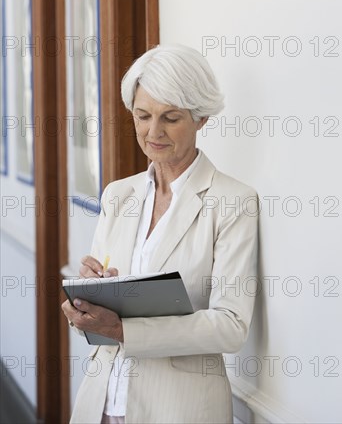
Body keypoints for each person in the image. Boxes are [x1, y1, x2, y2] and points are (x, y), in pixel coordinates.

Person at [62, 44, 258, 424]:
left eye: (170, 117)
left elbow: (231, 326)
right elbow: (103, 317)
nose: (153, 132)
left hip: (180, 408)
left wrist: (122, 328)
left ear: (200, 118)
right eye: (142, 115)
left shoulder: (233, 202)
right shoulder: (118, 195)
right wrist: (86, 302)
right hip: (101, 401)